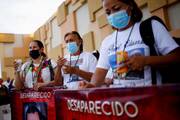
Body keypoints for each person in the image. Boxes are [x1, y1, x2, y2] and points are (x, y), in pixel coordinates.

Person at [79, 0, 180, 88]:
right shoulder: (107, 41)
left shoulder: (151, 27)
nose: (113, 14)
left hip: (150, 99)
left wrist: (146, 60)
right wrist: (90, 86)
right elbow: (100, 72)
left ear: (130, 6)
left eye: (117, 8)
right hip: (120, 103)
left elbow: (177, 56)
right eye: (108, 12)